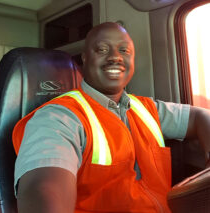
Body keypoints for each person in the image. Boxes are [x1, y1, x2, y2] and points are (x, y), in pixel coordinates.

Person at [12, 22, 210, 213]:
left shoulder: (146, 108)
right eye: (102, 49)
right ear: (85, 58)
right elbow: (45, 188)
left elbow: (199, 115)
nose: (115, 57)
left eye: (124, 51)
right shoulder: (59, 116)